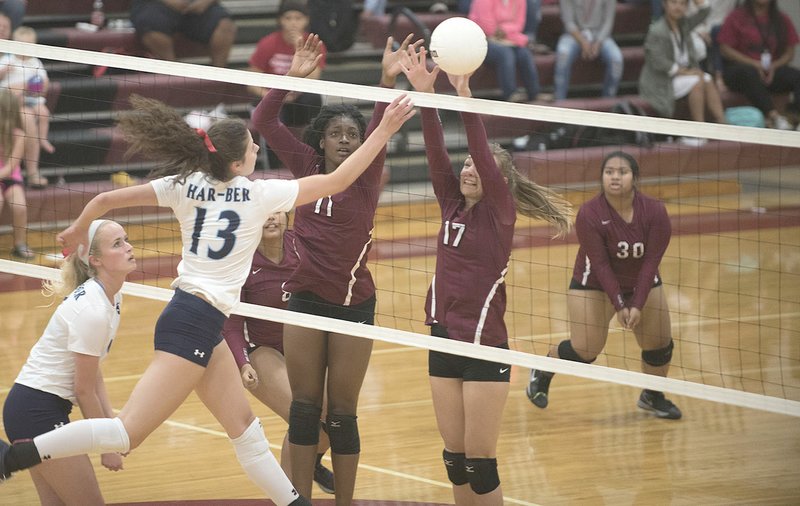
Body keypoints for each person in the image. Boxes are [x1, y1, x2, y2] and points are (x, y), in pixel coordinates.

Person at [0, 79, 416, 503]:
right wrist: (383, 131)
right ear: (237, 163)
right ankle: (14, 458)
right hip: (193, 322)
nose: (258, 150)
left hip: (200, 321)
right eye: (253, 147)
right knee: (126, 433)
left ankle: (294, 502)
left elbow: (106, 198)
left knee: (247, 434)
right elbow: (340, 180)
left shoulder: (184, 185)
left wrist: (74, 228)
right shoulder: (258, 195)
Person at [400, 46, 572, 504]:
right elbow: (438, 150)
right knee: (454, 462)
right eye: (469, 163)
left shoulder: (501, 213)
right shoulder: (450, 203)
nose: (470, 166)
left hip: (484, 347)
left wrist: (464, 98)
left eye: (482, 165)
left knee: (480, 466)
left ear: (501, 182)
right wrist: (427, 97)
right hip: (441, 339)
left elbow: (475, 144)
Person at [251, 33, 419, 503]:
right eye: (336, 134)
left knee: (343, 413)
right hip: (304, 301)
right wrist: (290, 79)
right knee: (304, 412)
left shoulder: (365, 174)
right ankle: (298, 498)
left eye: (353, 135)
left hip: (352, 305)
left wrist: (387, 79)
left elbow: (385, 125)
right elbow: (262, 119)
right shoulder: (305, 165)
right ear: (320, 141)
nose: (346, 141)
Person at [526, 151, 682, 420]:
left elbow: (651, 262)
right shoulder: (590, 213)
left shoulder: (655, 211)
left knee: (659, 345)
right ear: (602, 177)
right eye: (609, 172)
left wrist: (638, 302)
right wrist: (621, 304)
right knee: (585, 350)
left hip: (640, 281)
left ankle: (652, 396)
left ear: (635, 177)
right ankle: (543, 367)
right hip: (594, 284)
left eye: (622, 172)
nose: (615, 177)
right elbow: (600, 265)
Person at [2, 219, 135, 505]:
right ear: (95, 260)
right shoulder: (93, 309)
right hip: (36, 412)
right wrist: (106, 444)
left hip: (29, 409)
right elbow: (83, 389)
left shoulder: (112, 297)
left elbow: (94, 373)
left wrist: (112, 427)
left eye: (125, 239)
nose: (129, 247)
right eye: (117, 244)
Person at [222, 211, 335, 495]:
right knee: (304, 417)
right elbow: (232, 324)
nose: (270, 219)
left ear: (287, 216)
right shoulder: (241, 260)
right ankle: (291, 497)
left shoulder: (304, 248)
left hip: (304, 345)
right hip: (262, 349)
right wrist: (242, 362)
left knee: (335, 417)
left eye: (276, 212)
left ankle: (312, 464)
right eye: (261, 213)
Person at [639, 0, 726, 146]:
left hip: (683, 76)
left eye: (682, 3)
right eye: (673, 2)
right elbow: (657, 60)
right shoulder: (657, 30)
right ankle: (700, 132)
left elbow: (704, 12)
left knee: (707, 78)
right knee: (697, 80)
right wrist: (685, 72)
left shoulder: (684, 24)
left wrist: (697, 2)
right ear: (664, 5)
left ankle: (723, 125)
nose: (678, 7)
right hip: (662, 80)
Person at [718, 0, 800, 130]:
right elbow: (725, 48)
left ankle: (795, 117)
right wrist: (754, 64)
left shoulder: (781, 18)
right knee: (749, 72)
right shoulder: (736, 16)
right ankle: (774, 117)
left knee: (797, 76)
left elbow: (790, 51)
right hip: (740, 69)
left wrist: (774, 66)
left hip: (771, 70)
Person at [248, 0, 326, 132]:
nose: (293, 23)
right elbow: (252, 82)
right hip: (272, 97)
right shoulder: (268, 43)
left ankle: (314, 141)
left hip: (298, 98)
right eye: (288, 18)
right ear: (280, 20)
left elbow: (314, 79)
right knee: (272, 113)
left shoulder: (314, 44)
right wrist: (273, 95)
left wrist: (298, 48)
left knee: (313, 98)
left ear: (306, 20)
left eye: (298, 18)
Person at [0, 26, 56, 184]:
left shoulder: (35, 62)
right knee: (27, 119)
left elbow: (43, 88)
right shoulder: (8, 59)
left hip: (31, 99)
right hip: (9, 103)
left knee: (42, 113)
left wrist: (38, 86)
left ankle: (42, 142)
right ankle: (30, 173)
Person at [469, 0, 544, 102]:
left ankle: (533, 93)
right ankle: (510, 94)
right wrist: (509, 34)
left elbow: (519, 24)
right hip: (482, 40)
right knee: (505, 53)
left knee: (524, 53)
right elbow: (487, 27)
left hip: (509, 39)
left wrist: (504, 31)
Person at [129, 0, 237, 67]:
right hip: (155, 5)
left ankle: (218, 75)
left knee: (225, 25)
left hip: (196, 7)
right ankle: (171, 69)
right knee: (149, 21)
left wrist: (204, 2)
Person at [553, 0, 623, 101]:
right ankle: (559, 98)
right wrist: (583, 42)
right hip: (574, 34)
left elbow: (608, 22)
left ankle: (609, 100)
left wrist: (598, 43)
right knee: (563, 54)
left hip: (600, 35)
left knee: (617, 59)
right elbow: (568, 22)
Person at [0, 88, 34, 259]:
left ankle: (19, 244)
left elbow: (11, 166)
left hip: (10, 178)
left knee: (19, 206)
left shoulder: (19, 135)